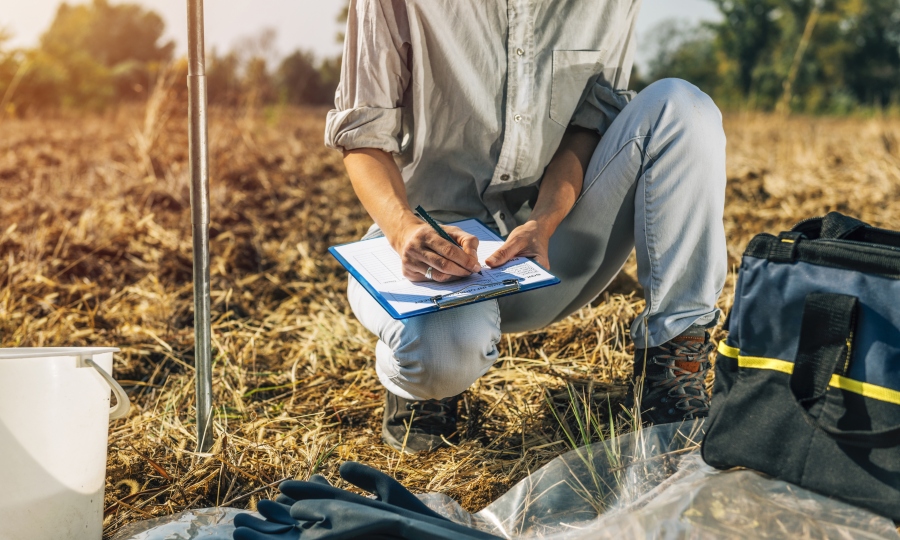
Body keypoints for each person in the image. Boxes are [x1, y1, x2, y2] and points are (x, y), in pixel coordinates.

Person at [324, 0, 727, 453]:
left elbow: (587, 126)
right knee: (439, 359)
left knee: (683, 109)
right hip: (430, 250)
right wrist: (402, 231)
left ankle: (673, 368)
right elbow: (361, 138)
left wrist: (545, 220)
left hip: (549, 247)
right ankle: (418, 386)